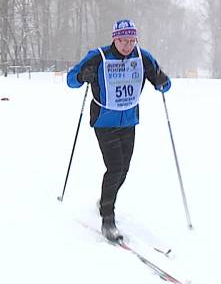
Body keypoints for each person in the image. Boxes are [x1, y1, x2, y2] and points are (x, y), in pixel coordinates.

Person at [67, 19, 171, 241]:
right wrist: (81, 76)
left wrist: (163, 81)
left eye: (132, 40)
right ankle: (108, 218)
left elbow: (164, 84)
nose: (127, 45)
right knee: (114, 167)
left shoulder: (143, 58)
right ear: (114, 38)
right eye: (123, 40)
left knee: (124, 169)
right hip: (105, 121)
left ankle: (106, 198)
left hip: (129, 120)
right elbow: (70, 80)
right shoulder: (98, 56)